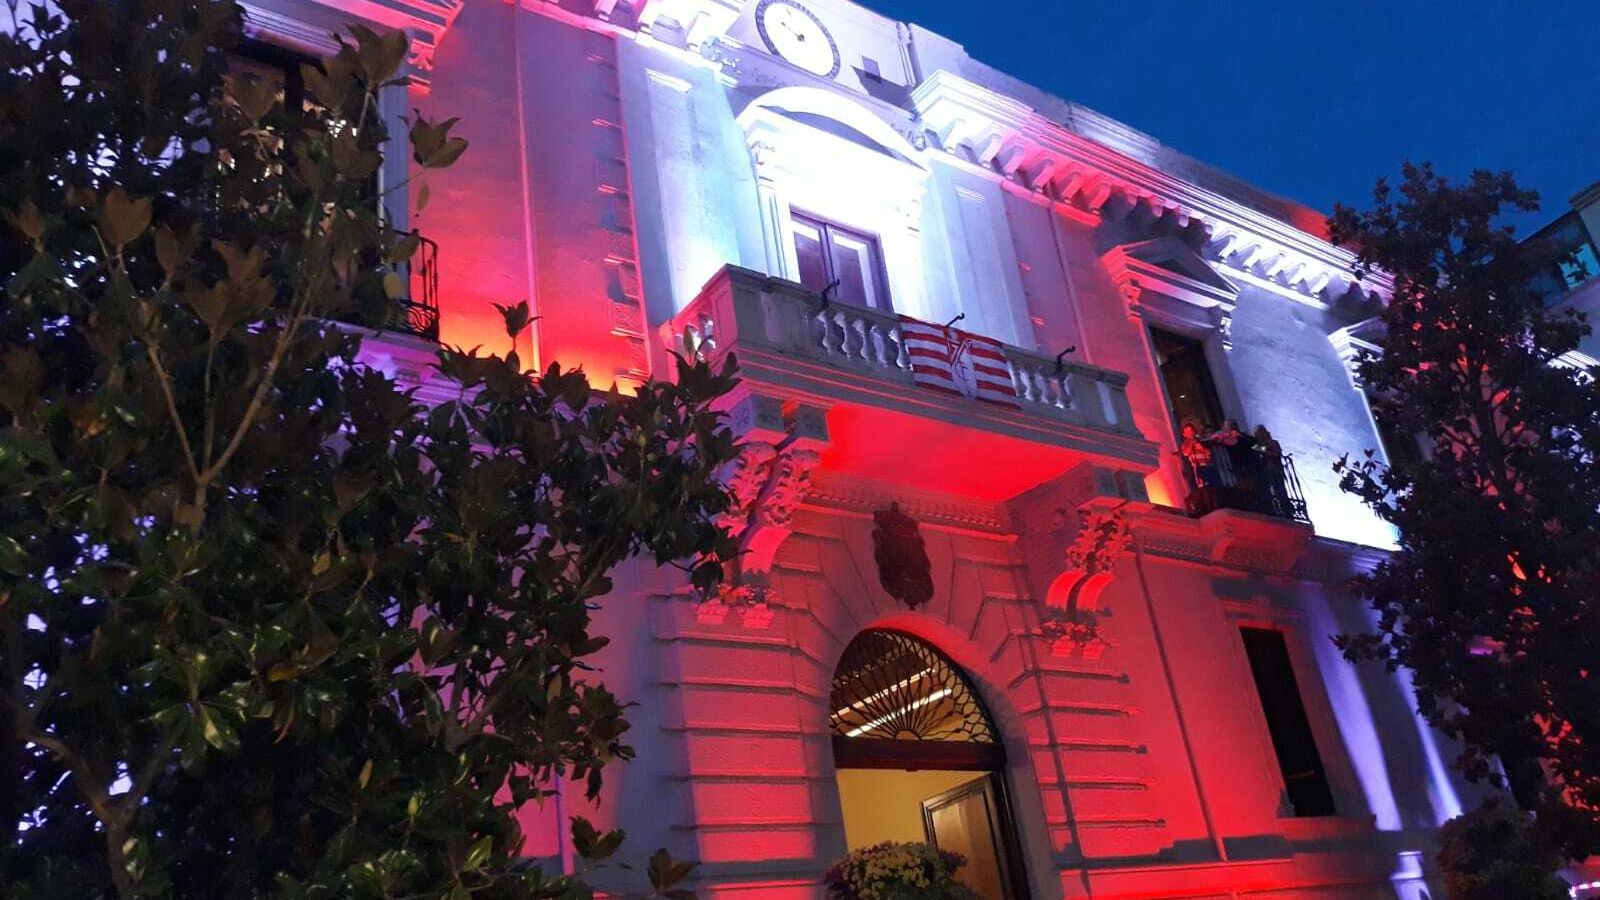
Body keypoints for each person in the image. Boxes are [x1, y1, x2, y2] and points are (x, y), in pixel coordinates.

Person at [1178, 421, 1215, 487]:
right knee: (1202, 485)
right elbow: (1185, 452)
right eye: (1187, 431)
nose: (1189, 433)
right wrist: (1192, 443)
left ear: (1194, 432)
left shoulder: (1199, 440)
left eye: (1191, 430)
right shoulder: (1185, 443)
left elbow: (1207, 451)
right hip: (1197, 466)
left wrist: (1202, 448)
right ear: (1184, 434)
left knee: (1210, 483)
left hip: (1207, 464)